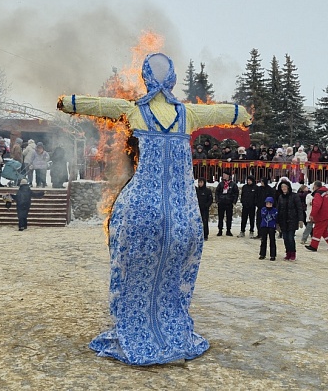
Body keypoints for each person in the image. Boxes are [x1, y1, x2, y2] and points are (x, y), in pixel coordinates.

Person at [58, 52, 251, 365]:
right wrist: (241, 113)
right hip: (181, 208)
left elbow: (99, 105)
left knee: (133, 267)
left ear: (146, 77)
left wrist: (69, 102)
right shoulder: (187, 114)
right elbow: (224, 112)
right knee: (176, 266)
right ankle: (170, 325)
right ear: (172, 79)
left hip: (143, 203)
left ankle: (135, 323)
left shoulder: (134, 110)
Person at [276, 179, 303, 261]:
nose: (283, 188)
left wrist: (300, 219)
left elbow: (299, 208)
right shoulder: (280, 197)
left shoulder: (294, 196)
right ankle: (288, 252)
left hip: (292, 220)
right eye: (282, 187)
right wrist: (277, 222)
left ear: (288, 187)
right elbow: (279, 209)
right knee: (285, 238)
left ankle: (293, 253)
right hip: (283, 221)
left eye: (285, 186)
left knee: (291, 238)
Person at [305, 181, 328, 251]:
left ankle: (313, 246)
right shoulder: (324, 193)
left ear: (315, 186)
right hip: (326, 214)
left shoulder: (318, 194)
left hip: (321, 215)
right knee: (324, 231)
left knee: (317, 230)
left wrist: (312, 214)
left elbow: (317, 206)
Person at [215, 171, 239, 237]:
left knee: (229, 217)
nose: (224, 176)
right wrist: (217, 200)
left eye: (225, 175)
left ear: (228, 175)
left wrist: (234, 201)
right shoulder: (220, 184)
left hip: (229, 202)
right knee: (220, 217)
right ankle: (220, 230)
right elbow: (217, 192)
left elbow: (236, 193)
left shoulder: (233, 184)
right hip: (221, 202)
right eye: (223, 175)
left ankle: (228, 230)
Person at [258, 196, 278, 261]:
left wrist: (272, 212)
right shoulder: (263, 209)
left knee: (272, 240)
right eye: (267, 203)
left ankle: (273, 255)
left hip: (271, 226)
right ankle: (262, 254)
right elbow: (262, 215)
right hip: (264, 226)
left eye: (270, 203)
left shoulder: (274, 210)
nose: (268, 205)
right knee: (263, 240)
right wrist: (267, 211)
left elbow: (275, 217)